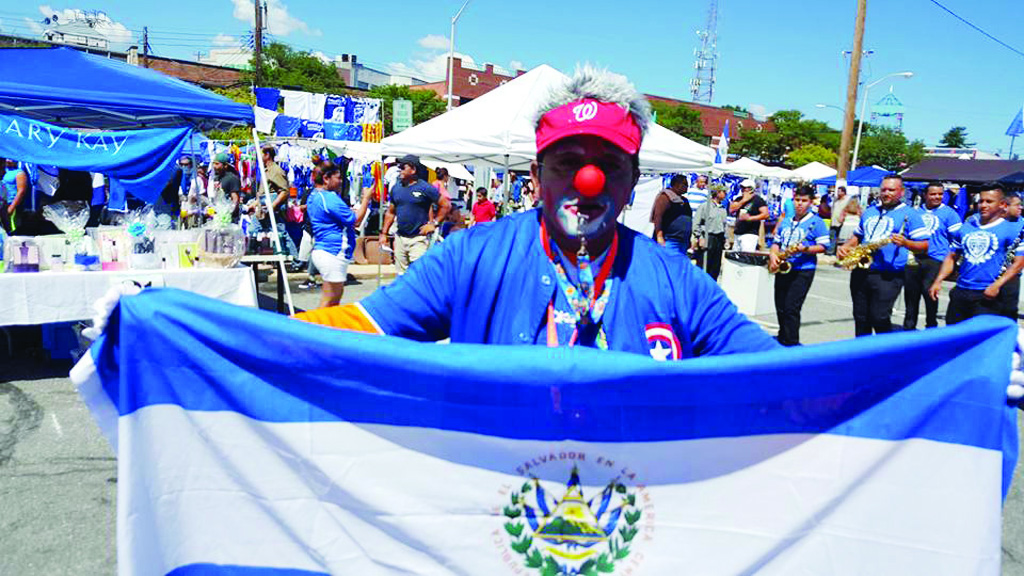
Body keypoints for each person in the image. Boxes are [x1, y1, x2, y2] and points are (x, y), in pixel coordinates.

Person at [294, 66, 778, 359]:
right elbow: (366, 326)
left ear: (632, 181)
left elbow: (778, 373)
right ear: (536, 175)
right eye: (567, 163)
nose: (587, 180)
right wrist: (240, 337)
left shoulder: (679, 282)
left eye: (608, 165)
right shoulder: (471, 258)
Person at [838, 174, 928, 336]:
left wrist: (906, 243)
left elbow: (924, 245)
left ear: (901, 192)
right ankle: (862, 355)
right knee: (861, 317)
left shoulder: (911, 214)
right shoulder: (870, 211)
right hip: (862, 270)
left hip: (889, 274)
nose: (886, 193)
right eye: (884, 189)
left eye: (892, 190)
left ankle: (885, 351)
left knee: (879, 317)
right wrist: (846, 246)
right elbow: (858, 236)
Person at [929, 183, 1024, 324]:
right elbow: (951, 256)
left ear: (1002, 204)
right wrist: (938, 280)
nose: (983, 205)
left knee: (980, 340)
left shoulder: (1012, 229)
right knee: (955, 336)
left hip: (987, 294)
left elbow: (1019, 263)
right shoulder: (967, 227)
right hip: (961, 290)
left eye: (989, 201)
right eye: (981, 201)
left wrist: (997, 285)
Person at [768, 186, 829, 346]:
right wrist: (774, 255)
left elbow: (823, 246)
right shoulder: (786, 221)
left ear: (810, 202)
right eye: (797, 200)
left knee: (791, 308)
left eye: (804, 201)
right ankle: (782, 338)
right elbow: (776, 243)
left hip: (803, 270)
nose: (800, 204)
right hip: (784, 267)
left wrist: (806, 249)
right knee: (780, 306)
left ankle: (792, 343)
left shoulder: (817, 222)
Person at [307, 164, 373, 309]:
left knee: (332, 300)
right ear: (326, 178)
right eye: (338, 178)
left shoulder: (315, 196)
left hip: (326, 251)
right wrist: (366, 199)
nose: (341, 181)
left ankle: (324, 328)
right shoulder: (329, 198)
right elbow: (356, 221)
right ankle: (316, 329)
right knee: (330, 301)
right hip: (333, 252)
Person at [903, 182, 962, 330]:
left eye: (940, 194)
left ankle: (931, 326)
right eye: (933, 194)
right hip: (914, 258)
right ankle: (909, 329)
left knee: (930, 295)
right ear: (925, 195)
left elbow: (958, 238)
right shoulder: (915, 212)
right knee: (911, 296)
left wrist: (952, 257)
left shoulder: (949, 214)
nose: (937, 197)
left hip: (936, 260)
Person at [380, 154, 450, 275]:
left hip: (418, 239)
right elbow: (390, 212)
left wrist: (434, 224)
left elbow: (446, 205)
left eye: (403, 167)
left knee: (418, 276)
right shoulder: (396, 188)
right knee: (401, 276)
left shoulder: (425, 188)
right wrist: (384, 233)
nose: (399, 169)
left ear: (413, 170)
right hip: (400, 238)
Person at [260, 145, 297, 259]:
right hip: (263, 208)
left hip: (273, 209)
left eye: (260, 153)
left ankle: (294, 259)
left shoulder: (276, 171)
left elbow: (285, 191)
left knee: (281, 233)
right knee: (258, 230)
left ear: (267, 155)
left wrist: (272, 206)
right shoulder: (266, 170)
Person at [650, 174, 693, 257]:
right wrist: (659, 236)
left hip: (683, 241)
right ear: (676, 184)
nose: (687, 186)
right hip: (669, 239)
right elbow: (658, 217)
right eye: (684, 184)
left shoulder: (684, 200)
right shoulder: (665, 197)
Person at [692, 186, 727, 280]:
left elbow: (724, 225)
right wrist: (700, 237)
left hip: (719, 239)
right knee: (703, 264)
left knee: (715, 266)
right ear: (717, 192)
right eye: (724, 192)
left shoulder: (723, 208)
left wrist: (725, 239)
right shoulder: (705, 206)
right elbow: (697, 223)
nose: (726, 194)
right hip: (708, 237)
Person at [730, 179, 768, 252]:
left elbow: (765, 214)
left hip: (750, 233)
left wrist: (750, 218)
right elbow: (731, 210)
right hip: (738, 232)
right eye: (742, 188)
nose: (743, 190)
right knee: (735, 254)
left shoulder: (758, 200)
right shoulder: (739, 199)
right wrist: (743, 200)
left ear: (751, 189)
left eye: (745, 188)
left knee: (746, 255)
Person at [1, 158, 30, 234]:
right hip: (2, 203)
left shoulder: (20, 173)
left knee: (10, 228)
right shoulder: (5, 171)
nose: (8, 160)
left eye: (11, 159)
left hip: (10, 203)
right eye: (7, 158)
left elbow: (21, 191)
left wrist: (12, 207)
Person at [827, 186, 852, 256]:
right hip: (833, 221)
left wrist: (844, 218)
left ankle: (837, 251)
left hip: (842, 222)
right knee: (832, 236)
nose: (838, 193)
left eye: (839, 191)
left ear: (844, 192)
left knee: (840, 238)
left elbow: (848, 210)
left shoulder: (847, 200)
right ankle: (831, 251)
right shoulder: (836, 200)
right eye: (837, 191)